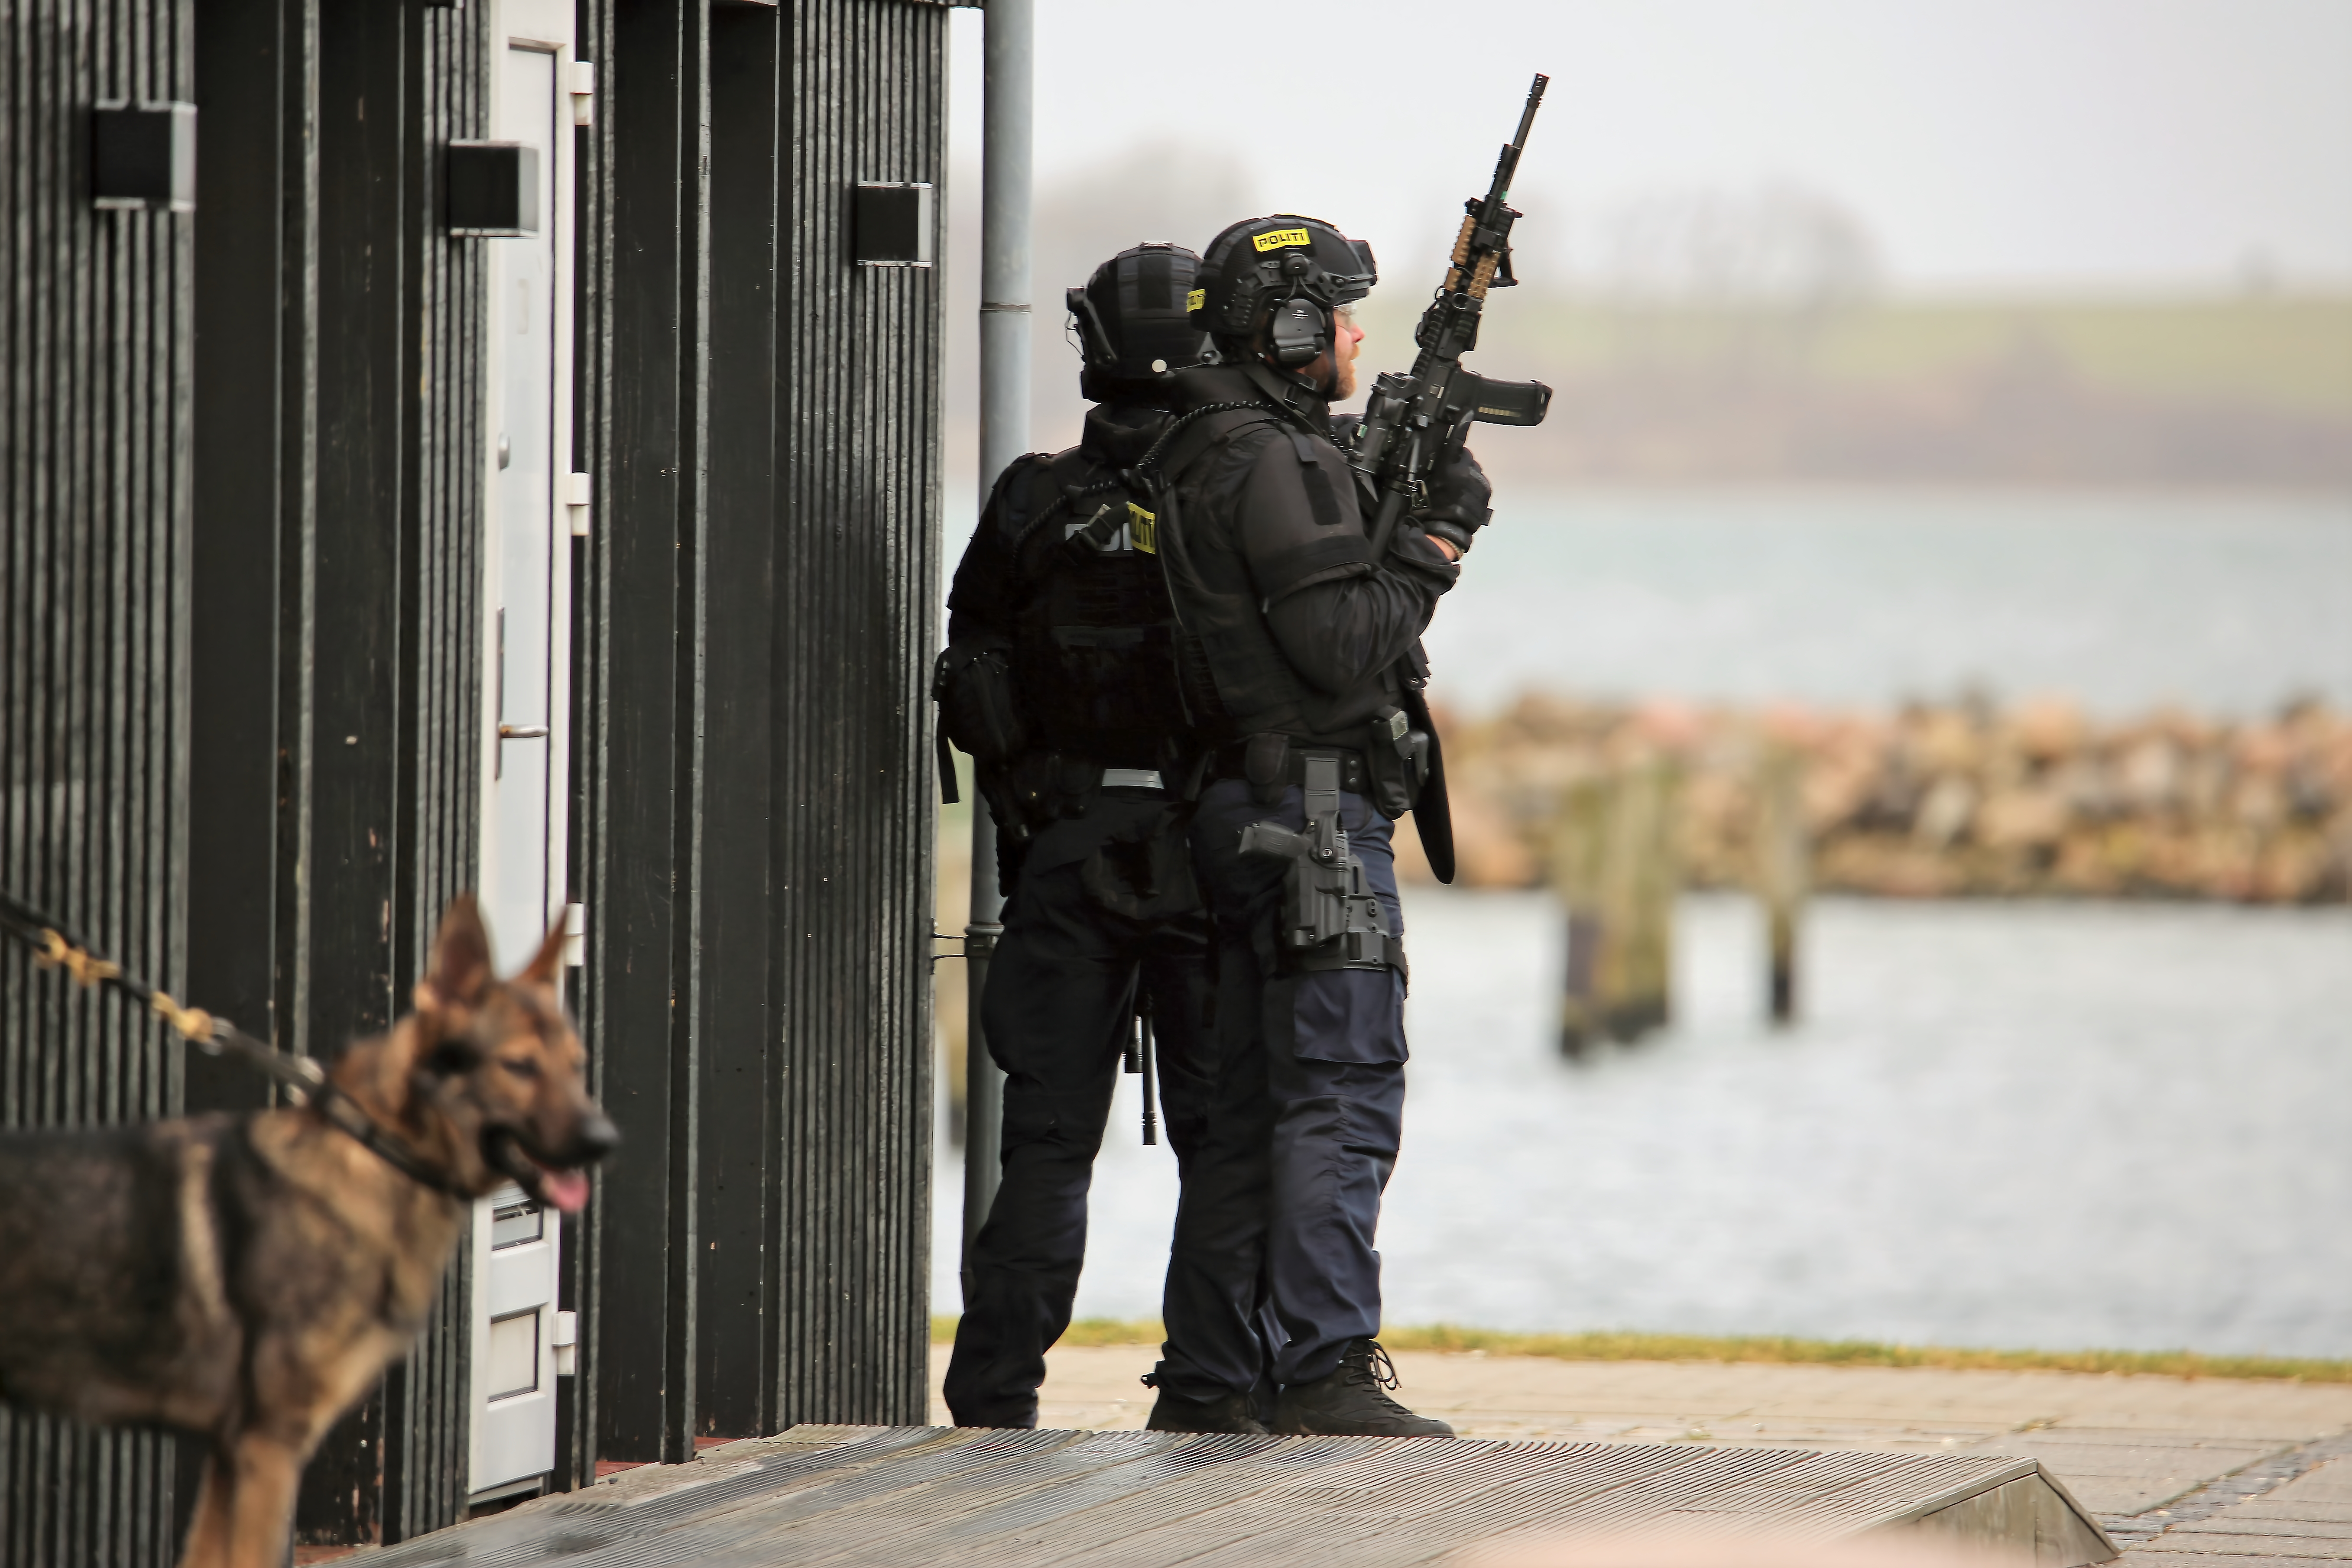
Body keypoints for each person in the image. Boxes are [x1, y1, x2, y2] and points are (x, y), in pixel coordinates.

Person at [1138, 214, 1493, 1437]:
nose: (1353, 336)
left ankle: (1209, 1383)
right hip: (1315, 822)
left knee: (1247, 1105)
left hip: (1247, 811)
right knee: (1339, 1091)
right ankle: (1326, 1369)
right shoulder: (1272, 462)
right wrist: (1440, 537)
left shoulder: (1219, 446)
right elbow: (1343, 640)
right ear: (1289, 331)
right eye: (1338, 315)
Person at [934, 243, 1230, 1432]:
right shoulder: (1241, 489)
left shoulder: (1030, 494)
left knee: (1047, 1143)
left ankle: (995, 1399)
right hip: (1210, 848)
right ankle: (1206, 1393)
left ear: (1094, 345)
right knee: (1223, 1144)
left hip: (1065, 850)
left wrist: (1029, 810)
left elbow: (971, 669)